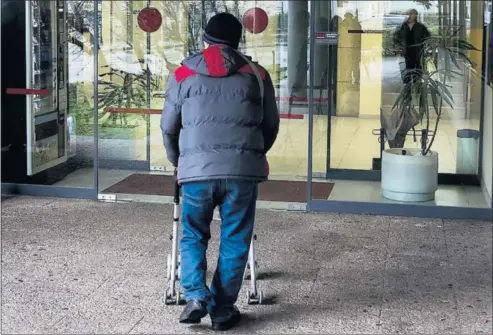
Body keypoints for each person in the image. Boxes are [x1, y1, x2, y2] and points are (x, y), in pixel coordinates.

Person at [160, 12, 280, 331]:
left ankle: (196, 296)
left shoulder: (184, 73)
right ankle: (223, 309)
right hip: (242, 173)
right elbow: (270, 125)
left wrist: (179, 162)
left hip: (196, 174)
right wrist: (250, 156)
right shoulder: (257, 74)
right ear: (238, 41)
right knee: (236, 238)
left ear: (206, 39)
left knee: (193, 233)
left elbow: (168, 127)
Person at [393, 8, 430, 84]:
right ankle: (408, 88)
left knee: (418, 71)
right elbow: (395, 38)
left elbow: (427, 38)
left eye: (411, 14)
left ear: (415, 15)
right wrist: (398, 48)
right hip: (405, 52)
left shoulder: (421, 27)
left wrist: (425, 48)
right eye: (407, 14)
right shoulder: (402, 27)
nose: (409, 16)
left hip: (418, 52)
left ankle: (417, 86)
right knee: (406, 70)